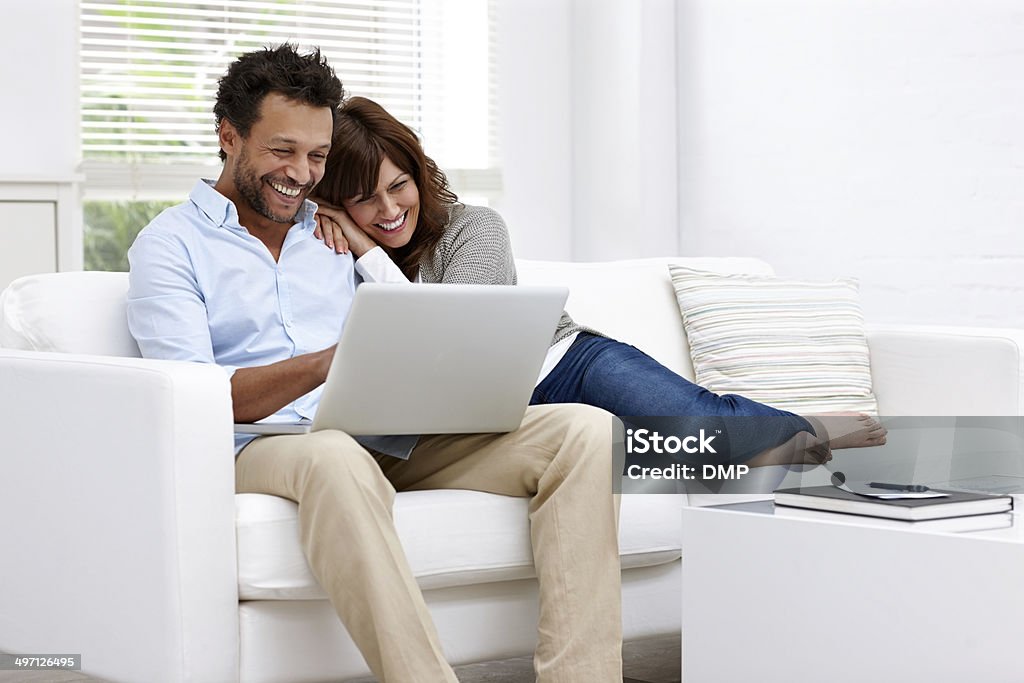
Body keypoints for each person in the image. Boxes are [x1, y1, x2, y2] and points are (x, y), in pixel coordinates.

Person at [126, 45, 624, 683]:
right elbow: (193, 397)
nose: (302, 174)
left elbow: (418, 336)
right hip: (266, 447)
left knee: (584, 431)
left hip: (381, 435)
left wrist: (365, 252)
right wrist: (328, 362)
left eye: (317, 156)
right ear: (229, 137)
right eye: (282, 151)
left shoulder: (332, 234)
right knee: (333, 453)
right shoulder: (170, 246)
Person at [312, 96, 887, 466]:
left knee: (707, 431)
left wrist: (366, 249)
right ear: (336, 202)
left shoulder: (473, 227)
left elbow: (449, 336)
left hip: (570, 364)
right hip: (503, 416)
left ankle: (815, 426)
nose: (389, 209)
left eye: (399, 185)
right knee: (673, 454)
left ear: (418, 173)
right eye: (365, 200)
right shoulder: (329, 258)